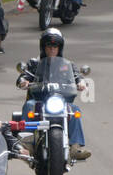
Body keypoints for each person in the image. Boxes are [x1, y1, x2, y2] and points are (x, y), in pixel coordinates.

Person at [16, 28, 91, 159]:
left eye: (55, 46)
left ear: (59, 48)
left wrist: (81, 82)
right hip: (40, 100)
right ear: (43, 47)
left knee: (75, 110)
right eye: (49, 45)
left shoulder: (68, 65)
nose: (52, 49)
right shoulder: (34, 63)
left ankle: (75, 146)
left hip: (60, 101)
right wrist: (23, 81)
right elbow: (23, 76)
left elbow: (77, 76)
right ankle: (27, 143)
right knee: (29, 105)